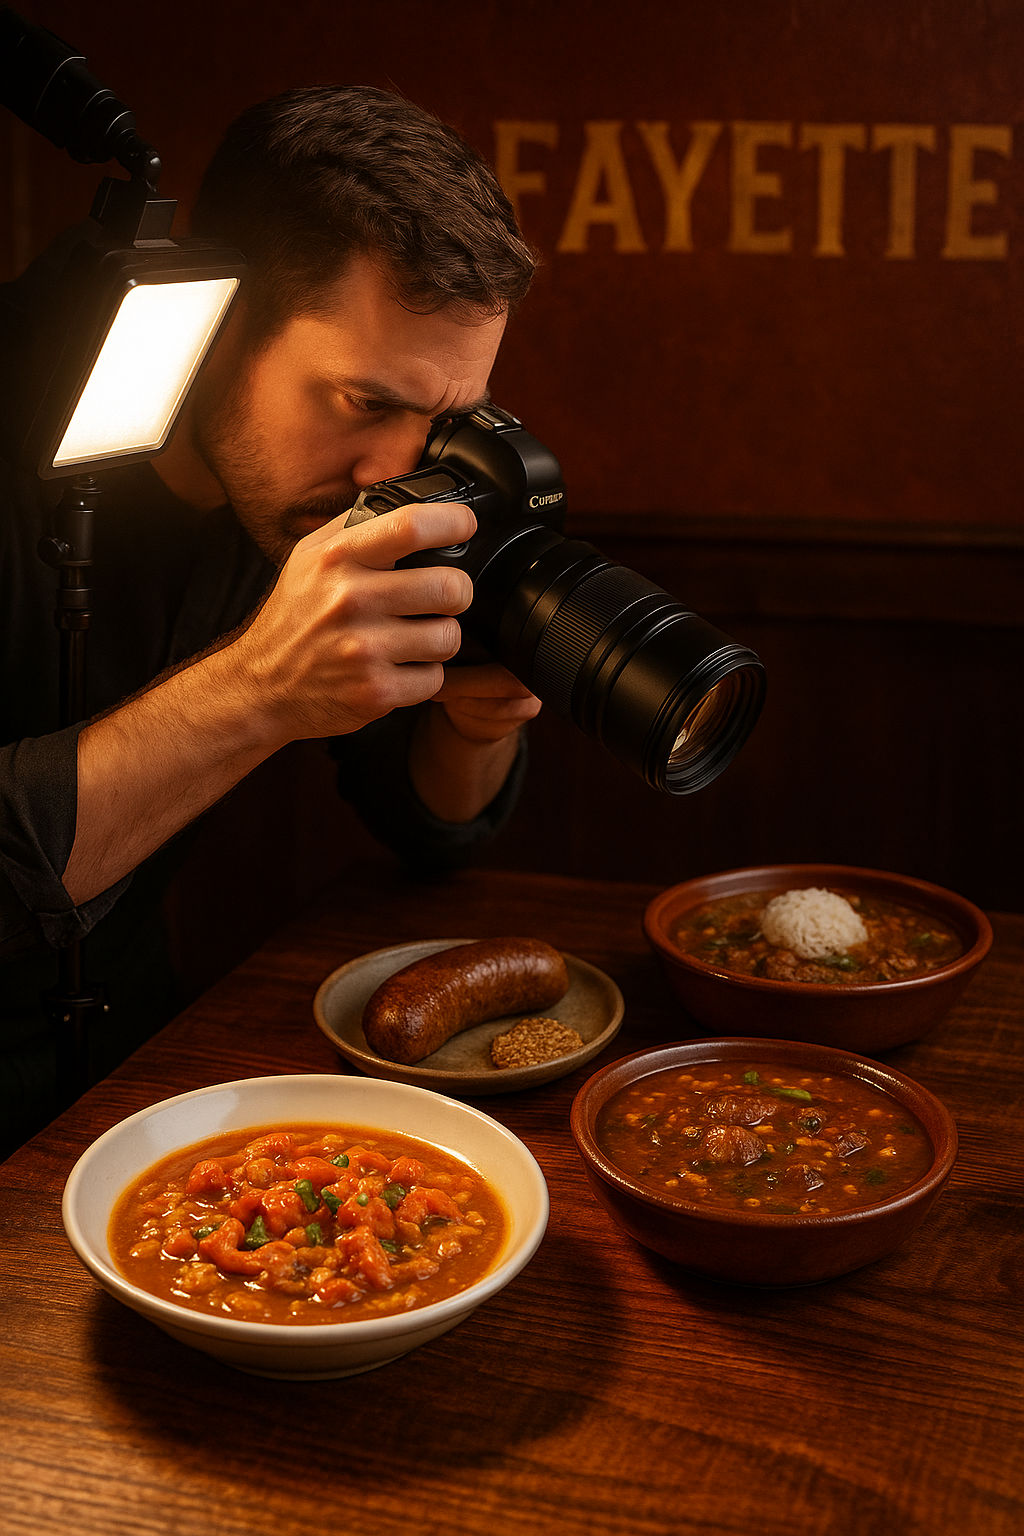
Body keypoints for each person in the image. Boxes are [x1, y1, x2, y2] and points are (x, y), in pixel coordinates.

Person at [0, 84, 541, 1151]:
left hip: (134, 1069)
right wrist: (256, 689)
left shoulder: (326, 487)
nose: (398, 471)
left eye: (440, 418)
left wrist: (471, 723)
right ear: (215, 314)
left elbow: (416, 814)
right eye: (366, 402)